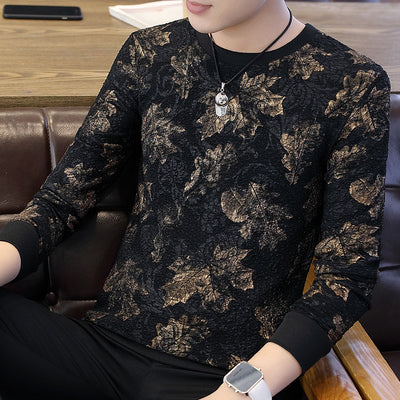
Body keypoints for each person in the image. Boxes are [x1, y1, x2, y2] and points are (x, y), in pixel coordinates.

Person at [0, 0, 391, 399]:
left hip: (225, 377)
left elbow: (345, 277)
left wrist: (239, 391)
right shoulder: (150, 51)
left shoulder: (352, 85)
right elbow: (64, 197)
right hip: (101, 350)